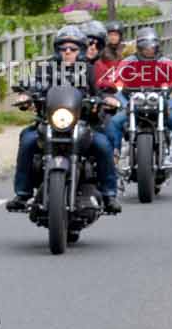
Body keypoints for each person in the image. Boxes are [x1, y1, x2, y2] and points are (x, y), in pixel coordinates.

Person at [8, 25, 121, 214]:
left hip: (85, 123)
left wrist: (106, 98)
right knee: (27, 140)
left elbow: (104, 89)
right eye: (63, 48)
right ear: (57, 50)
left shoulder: (91, 71)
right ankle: (23, 193)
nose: (67, 52)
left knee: (103, 145)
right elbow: (33, 85)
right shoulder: (46, 69)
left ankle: (109, 195)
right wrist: (26, 95)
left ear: (81, 50)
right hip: (49, 123)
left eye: (73, 48)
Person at [99, 27, 172, 167]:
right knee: (115, 122)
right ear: (139, 47)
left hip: (159, 101)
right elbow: (113, 76)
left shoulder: (166, 62)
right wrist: (106, 84)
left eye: (152, 47)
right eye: (145, 47)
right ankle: (114, 154)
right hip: (133, 102)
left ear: (157, 47)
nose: (149, 50)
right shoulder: (128, 62)